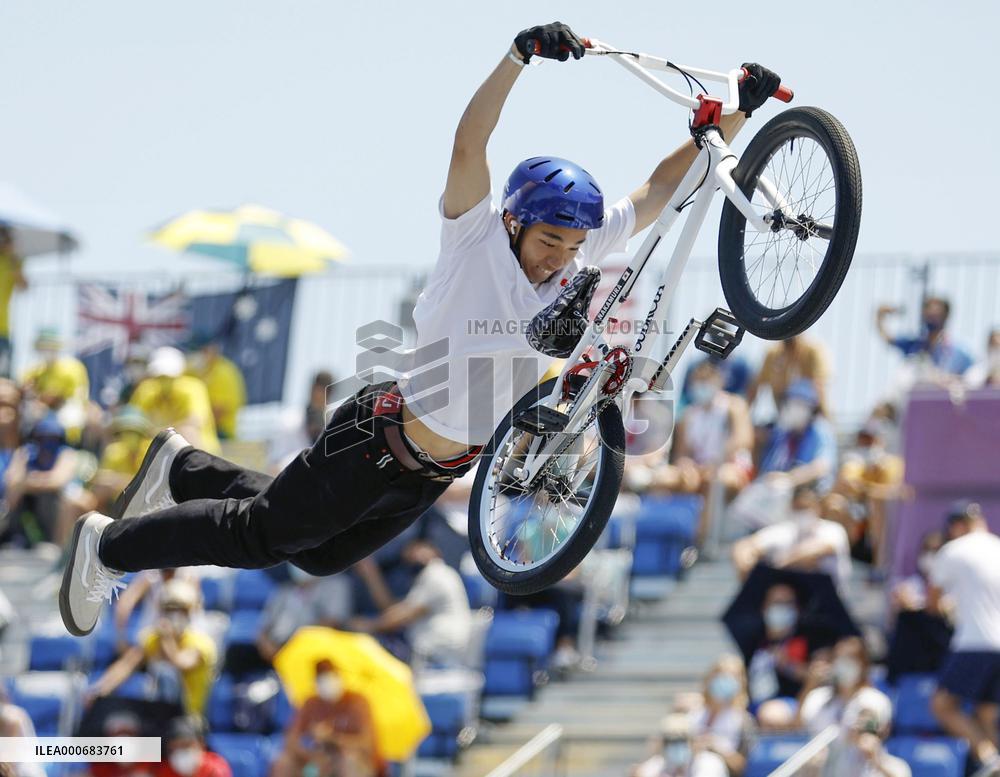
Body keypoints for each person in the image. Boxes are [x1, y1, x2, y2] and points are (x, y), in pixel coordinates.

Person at [58, 22, 784, 638]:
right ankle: (109, 546)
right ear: (514, 220)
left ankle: (180, 467)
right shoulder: (474, 239)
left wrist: (734, 119)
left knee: (313, 552)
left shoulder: (580, 248)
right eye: (547, 242)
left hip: (435, 469)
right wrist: (518, 58)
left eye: (571, 246)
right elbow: (469, 145)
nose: (560, 257)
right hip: (378, 434)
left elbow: (658, 188)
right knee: (260, 535)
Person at [928, 502, 1000, 773]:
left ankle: (990, 758)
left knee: (942, 705)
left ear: (957, 527)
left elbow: (933, 603)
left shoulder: (954, 550)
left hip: (974, 644)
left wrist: (948, 608)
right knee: (986, 715)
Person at [87, 579, 217, 716]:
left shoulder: (200, 643)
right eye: (169, 609)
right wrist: (99, 690)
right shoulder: (153, 639)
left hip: (189, 719)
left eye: (180, 609)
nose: (174, 614)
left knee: (165, 673)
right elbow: (127, 665)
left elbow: (181, 663)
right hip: (158, 715)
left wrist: (167, 639)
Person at [351, 536, 471, 667]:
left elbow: (396, 619)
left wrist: (365, 626)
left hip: (440, 658)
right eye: (409, 552)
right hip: (432, 656)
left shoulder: (437, 573)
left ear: (435, 551)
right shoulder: (424, 577)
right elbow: (392, 609)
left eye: (419, 549)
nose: (413, 556)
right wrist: (371, 574)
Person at [797, 637, 908, 777]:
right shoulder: (817, 697)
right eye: (840, 660)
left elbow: (871, 723)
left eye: (851, 660)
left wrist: (866, 741)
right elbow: (797, 727)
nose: (845, 666)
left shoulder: (875, 700)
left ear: (863, 665)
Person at [270, 659, 381, 777]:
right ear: (316, 683)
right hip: (318, 759)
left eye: (330, 677)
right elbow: (291, 740)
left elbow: (366, 744)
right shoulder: (311, 703)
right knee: (284, 762)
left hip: (350, 762)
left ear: (339, 677)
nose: (328, 684)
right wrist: (312, 755)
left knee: (350, 759)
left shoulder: (357, 703)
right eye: (322, 680)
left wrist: (332, 737)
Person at [732, 484, 851, 590]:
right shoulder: (785, 530)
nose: (802, 512)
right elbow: (744, 546)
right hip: (791, 603)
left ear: (817, 508)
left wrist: (776, 568)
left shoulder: (833, 530)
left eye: (806, 507)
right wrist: (746, 566)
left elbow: (818, 550)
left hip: (828, 605)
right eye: (798, 507)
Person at [823, 420, 904, 566]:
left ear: (881, 440)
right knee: (834, 504)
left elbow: (894, 492)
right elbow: (845, 484)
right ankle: (839, 560)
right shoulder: (855, 462)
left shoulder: (892, 463)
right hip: (856, 528)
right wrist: (865, 486)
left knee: (876, 504)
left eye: (870, 439)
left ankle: (879, 566)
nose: (866, 443)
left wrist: (866, 489)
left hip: (882, 533)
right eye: (863, 439)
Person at [1, 414, 77, 547]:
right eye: (43, 438)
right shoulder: (27, 452)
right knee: (13, 494)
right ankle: (13, 536)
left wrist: (29, 480)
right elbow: (12, 480)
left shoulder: (66, 453)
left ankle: (57, 545)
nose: (47, 443)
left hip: (55, 504)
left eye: (53, 438)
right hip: (29, 502)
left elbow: (57, 481)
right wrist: (35, 480)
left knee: (60, 500)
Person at [130, 347, 220, 454]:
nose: (164, 381)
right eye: (160, 377)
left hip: (197, 450)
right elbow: (132, 422)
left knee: (188, 431)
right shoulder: (146, 390)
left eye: (169, 377)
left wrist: (159, 431)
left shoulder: (192, 388)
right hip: (156, 447)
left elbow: (195, 421)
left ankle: (198, 469)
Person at [748, 584, 814, 728]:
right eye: (777, 603)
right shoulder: (753, 639)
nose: (781, 608)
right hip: (753, 702)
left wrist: (787, 664)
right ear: (765, 607)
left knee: (770, 714)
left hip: (790, 702)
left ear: (796, 608)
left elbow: (816, 674)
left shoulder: (807, 639)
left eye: (787, 603)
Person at [876, 296, 973, 378]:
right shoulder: (915, 346)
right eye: (929, 314)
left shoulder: (958, 353)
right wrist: (880, 314)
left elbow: (971, 379)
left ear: (946, 316)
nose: (932, 318)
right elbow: (888, 338)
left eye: (936, 315)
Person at [747, 335, 831, 416]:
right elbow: (756, 385)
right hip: (782, 412)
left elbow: (819, 386)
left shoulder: (813, 351)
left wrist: (826, 417)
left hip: (809, 411)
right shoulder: (773, 354)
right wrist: (745, 414)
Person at [184, 336, 247, 440]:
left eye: (199, 351)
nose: (194, 355)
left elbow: (220, 410)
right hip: (195, 430)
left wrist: (190, 421)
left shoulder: (223, 373)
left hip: (220, 433)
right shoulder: (193, 371)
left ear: (211, 350)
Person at [630, 712, 729, 777]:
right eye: (670, 741)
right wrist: (651, 753)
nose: (676, 745)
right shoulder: (662, 763)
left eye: (681, 740)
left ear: (693, 741)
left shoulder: (709, 762)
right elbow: (639, 773)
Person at [156, 715, 231, 777]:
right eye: (174, 747)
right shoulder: (165, 766)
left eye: (185, 745)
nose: (180, 752)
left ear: (201, 743)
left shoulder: (214, 768)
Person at [0, 226, 28, 379]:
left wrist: (12, 258)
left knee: (3, 378)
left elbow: (23, 286)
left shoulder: (14, 262)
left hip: (2, 329)